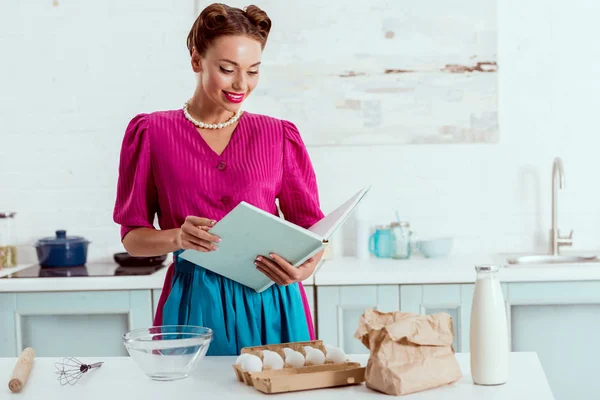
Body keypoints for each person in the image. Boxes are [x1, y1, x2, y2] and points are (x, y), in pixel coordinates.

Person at [113, 3, 325, 356]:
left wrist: (303, 269)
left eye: (253, 71)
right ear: (197, 60)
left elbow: (312, 230)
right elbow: (132, 238)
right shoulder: (151, 132)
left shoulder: (279, 135)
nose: (241, 84)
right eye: (227, 69)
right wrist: (177, 236)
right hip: (196, 302)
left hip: (273, 301)